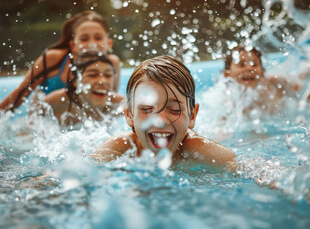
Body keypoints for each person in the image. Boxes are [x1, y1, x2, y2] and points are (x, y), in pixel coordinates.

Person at [91, 55, 235, 166]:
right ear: (129, 114)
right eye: (146, 109)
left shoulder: (197, 149)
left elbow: (245, 168)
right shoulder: (120, 147)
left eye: (174, 109)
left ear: (192, 116)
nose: (160, 120)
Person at [0, 10, 120, 121]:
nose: (92, 44)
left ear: (109, 44)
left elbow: (105, 105)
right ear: (73, 45)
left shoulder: (112, 64)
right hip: (43, 122)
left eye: (98, 38)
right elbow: (20, 93)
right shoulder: (52, 59)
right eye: (84, 39)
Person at [41, 50, 125, 126]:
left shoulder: (119, 105)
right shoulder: (54, 102)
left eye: (108, 75)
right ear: (75, 80)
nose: (102, 81)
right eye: (92, 75)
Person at [224, 45, 300, 115]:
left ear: (262, 73)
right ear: (227, 74)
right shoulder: (227, 102)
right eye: (241, 64)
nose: (249, 68)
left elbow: (303, 93)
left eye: (254, 64)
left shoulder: (276, 84)